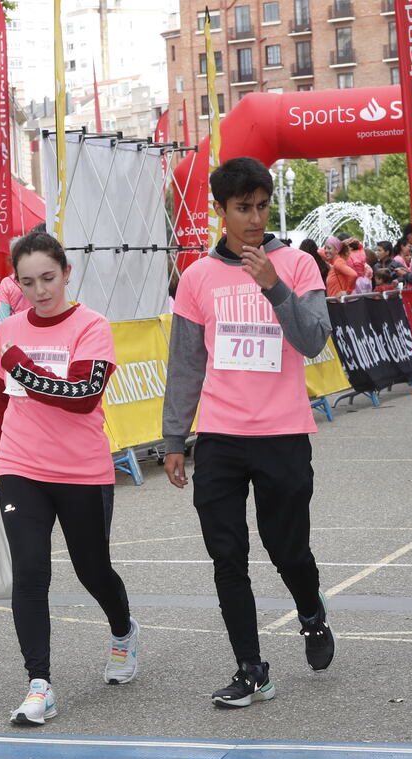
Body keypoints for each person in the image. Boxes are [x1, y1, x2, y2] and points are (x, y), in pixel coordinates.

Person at [162, 156, 334, 709]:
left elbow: (313, 343)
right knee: (227, 555)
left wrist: (274, 287)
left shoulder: (300, 265)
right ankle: (251, 670)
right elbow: (186, 364)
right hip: (220, 436)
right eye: (243, 209)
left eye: (262, 207)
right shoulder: (196, 278)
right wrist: (173, 439)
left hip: (283, 433)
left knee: (288, 551)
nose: (255, 219)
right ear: (221, 211)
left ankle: (310, 612)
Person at [0, 230, 137, 725]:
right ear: (15, 284)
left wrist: (23, 371)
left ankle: (124, 632)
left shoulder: (93, 326)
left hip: (82, 469)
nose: (40, 290)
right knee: (31, 572)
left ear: (66, 273)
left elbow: (83, 395)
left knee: (92, 569)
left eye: (48, 278)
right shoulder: (9, 331)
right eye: (28, 282)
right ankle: (39, 684)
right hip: (22, 467)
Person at [0, 223, 47, 319]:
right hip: (39, 323)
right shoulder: (40, 277)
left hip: (18, 327)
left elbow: (3, 318)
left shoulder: (6, 283)